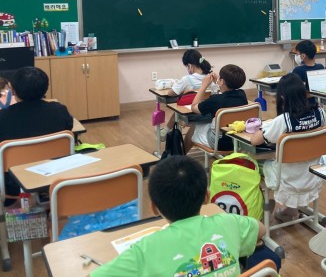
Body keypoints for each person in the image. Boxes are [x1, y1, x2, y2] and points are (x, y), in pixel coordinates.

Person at [90, 156, 266, 276]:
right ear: (207, 197)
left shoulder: (143, 251)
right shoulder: (229, 222)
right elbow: (261, 229)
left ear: (154, 208)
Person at [250, 73, 326, 222]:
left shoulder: (283, 121)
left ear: (282, 98)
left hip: (287, 178)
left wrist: (265, 127)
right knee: (295, 160)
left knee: (255, 165)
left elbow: (255, 140)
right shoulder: (320, 113)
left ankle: (260, 210)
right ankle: (291, 209)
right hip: (314, 173)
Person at [0, 67, 73, 200]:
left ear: (13, 91)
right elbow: (69, 127)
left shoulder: (3, 117)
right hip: (55, 175)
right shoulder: (58, 110)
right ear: (46, 89)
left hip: (14, 182)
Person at [186, 64, 248, 153]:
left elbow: (194, 107)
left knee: (194, 127)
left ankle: (180, 156)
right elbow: (225, 96)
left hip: (219, 143)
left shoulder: (215, 100)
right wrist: (219, 83)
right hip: (238, 139)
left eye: (220, 77)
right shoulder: (242, 95)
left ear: (222, 81)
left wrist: (204, 86)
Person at [163, 49, 213, 133]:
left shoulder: (187, 79)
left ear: (190, 66)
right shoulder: (211, 77)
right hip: (209, 114)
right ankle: (166, 131)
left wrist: (181, 90)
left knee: (177, 111)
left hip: (192, 114)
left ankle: (165, 132)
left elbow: (171, 93)